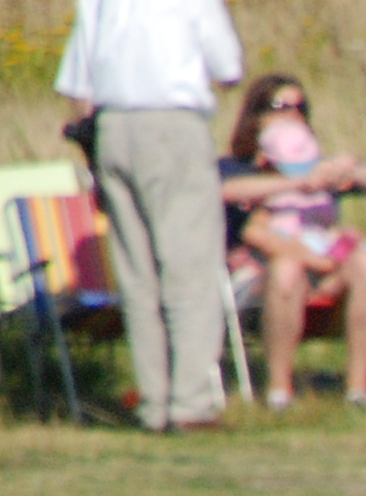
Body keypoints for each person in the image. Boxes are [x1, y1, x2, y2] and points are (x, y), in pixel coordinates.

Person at [53, 0, 244, 432]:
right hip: (171, 122)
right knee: (189, 268)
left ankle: (155, 403)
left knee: (138, 277)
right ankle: (189, 403)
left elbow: (77, 87)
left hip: (113, 129)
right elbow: (227, 66)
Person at [219, 73, 366, 407]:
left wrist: (341, 171)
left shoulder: (313, 165)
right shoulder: (236, 167)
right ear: (257, 113)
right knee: (287, 270)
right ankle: (280, 391)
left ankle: (359, 389)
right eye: (281, 106)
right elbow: (228, 193)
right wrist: (296, 184)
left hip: (324, 273)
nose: (293, 114)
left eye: (301, 107)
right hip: (263, 276)